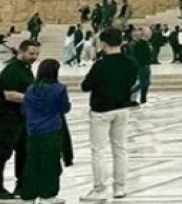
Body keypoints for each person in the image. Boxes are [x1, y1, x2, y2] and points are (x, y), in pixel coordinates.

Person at [80, 28, 138, 202]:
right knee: (120, 149)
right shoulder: (130, 62)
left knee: (98, 151)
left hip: (101, 110)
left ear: (104, 44)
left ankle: (99, 189)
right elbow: (133, 82)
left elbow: (85, 86)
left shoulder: (101, 64)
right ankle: (119, 188)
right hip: (122, 109)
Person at [19, 59, 70, 204]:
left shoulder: (30, 89)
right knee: (50, 164)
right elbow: (64, 108)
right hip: (52, 130)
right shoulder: (59, 89)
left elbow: (24, 109)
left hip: (33, 131)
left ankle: (28, 195)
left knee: (32, 163)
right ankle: (47, 195)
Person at [0, 40, 39, 199]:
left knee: (24, 152)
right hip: (8, 119)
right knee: (2, 154)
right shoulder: (12, 71)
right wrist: (34, 99)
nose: (34, 57)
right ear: (21, 52)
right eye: (31, 53)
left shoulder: (26, 69)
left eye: (37, 54)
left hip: (23, 119)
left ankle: (21, 186)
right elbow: (8, 94)